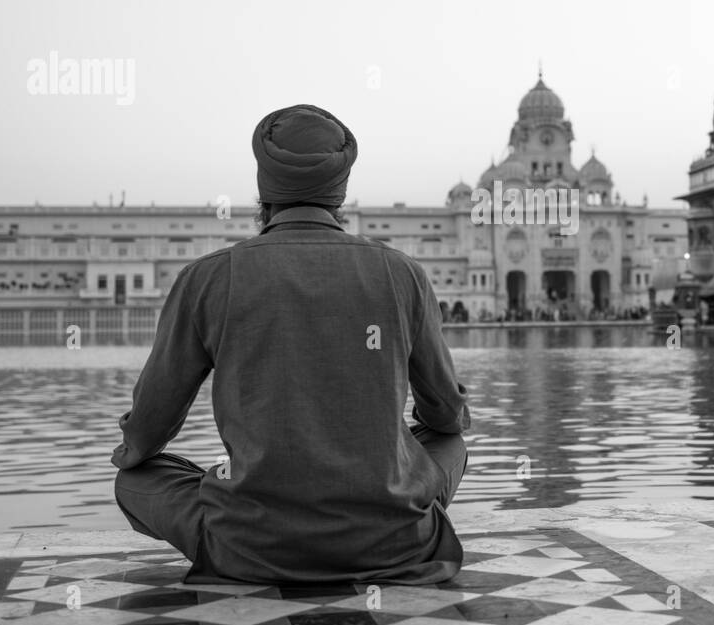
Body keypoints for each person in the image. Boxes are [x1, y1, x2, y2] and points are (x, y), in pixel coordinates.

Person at [112, 105, 470, 585]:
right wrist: (395, 445)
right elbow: (446, 415)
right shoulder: (401, 273)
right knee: (449, 444)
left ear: (264, 194)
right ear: (339, 194)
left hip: (249, 546)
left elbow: (149, 429)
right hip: (394, 537)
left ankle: (241, 528)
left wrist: (140, 450)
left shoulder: (209, 277)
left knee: (135, 479)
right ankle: (390, 521)